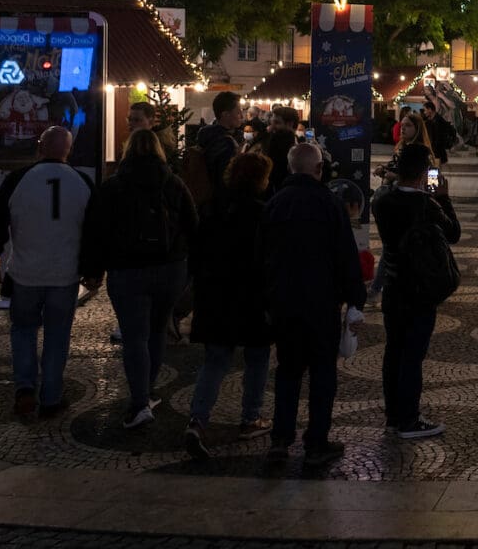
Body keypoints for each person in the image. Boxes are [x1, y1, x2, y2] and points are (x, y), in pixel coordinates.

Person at [81, 129, 200, 429]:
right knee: (157, 331)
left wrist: (93, 271)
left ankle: (139, 403)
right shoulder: (174, 184)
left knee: (134, 337)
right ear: (159, 151)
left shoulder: (113, 187)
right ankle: (146, 393)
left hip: (127, 270)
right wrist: (192, 267)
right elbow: (193, 226)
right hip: (170, 269)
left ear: (127, 150)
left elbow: (96, 232)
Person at [0, 126, 96, 418]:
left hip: (25, 274)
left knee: (23, 331)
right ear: (68, 150)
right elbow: (97, 231)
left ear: (40, 146)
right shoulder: (82, 182)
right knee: (58, 335)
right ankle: (51, 396)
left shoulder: (18, 180)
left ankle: (24, 388)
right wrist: (95, 269)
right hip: (65, 276)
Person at [263, 142, 365, 469]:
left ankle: (280, 439)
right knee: (322, 374)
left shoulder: (275, 203)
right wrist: (355, 300)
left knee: (288, 371)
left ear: (290, 168)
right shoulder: (329, 204)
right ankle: (316, 441)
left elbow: (260, 256)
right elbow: (345, 255)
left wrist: (266, 299)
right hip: (322, 302)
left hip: (284, 302)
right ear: (319, 169)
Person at [184, 150, 274, 458]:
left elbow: (195, 256)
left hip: (215, 297)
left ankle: (197, 420)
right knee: (258, 358)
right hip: (251, 298)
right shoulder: (263, 214)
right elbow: (268, 260)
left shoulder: (212, 210)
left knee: (216, 360)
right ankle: (250, 417)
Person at [372, 141, 462, 440]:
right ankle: (409, 419)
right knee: (412, 355)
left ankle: (393, 417)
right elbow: (454, 233)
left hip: (394, 287)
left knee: (393, 352)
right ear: (424, 172)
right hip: (420, 289)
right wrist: (444, 198)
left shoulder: (383, 201)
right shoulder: (426, 204)